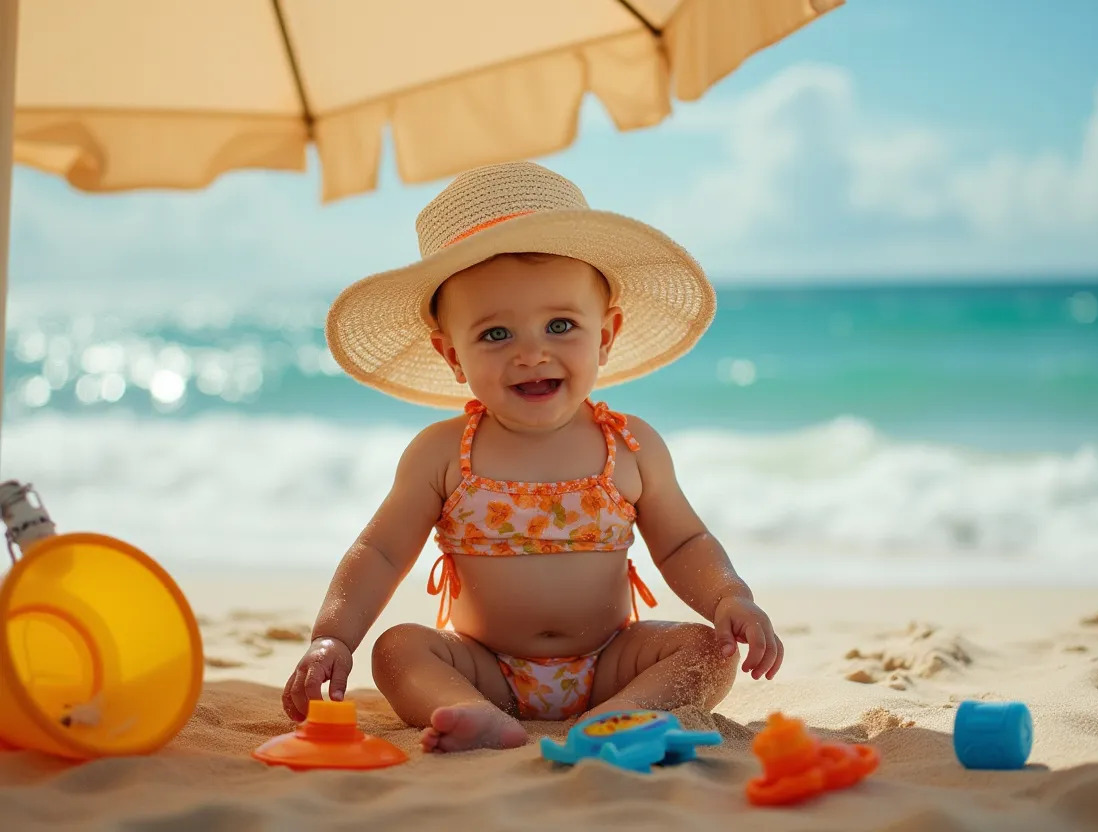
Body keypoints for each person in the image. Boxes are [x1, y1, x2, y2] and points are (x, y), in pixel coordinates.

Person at [282, 161, 783, 753]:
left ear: (606, 335)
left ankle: (612, 718)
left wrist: (731, 597)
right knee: (397, 649)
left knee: (705, 652)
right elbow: (382, 551)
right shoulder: (442, 453)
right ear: (451, 355)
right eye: (496, 335)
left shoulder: (630, 445)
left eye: (561, 325)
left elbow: (683, 544)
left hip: (611, 663)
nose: (531, 354)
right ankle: (471, 713)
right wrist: (333, 637)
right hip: (483, 666)